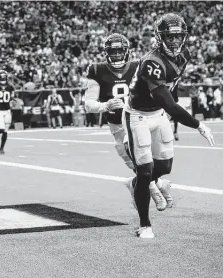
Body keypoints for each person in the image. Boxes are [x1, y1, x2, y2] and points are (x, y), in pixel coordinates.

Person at [124, 13, 214, 239]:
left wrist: (170, 111)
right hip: (139, 115)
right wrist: (198, 125)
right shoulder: (151, 62)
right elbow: (169, 103)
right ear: (160, 36)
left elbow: (170, 90)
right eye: (169, 36)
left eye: (178, 36)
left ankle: (136, 184)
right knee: (146, 172)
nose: (174, 40)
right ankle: (145, 225)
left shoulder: (185, 54)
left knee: (163, 168)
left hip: (159, 112)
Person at [84, 33, 171, 212]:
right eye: (113, 51)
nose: (116, 54)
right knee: (134, 161)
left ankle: (151, 188)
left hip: (140, 119)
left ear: (126, 51)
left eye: (119, 51)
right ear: (106, 52)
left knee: (148, 162)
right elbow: (88, 104)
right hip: (117, 124)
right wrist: (105, 105)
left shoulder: (139, 65)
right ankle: (158, 186)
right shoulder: (96, 70)